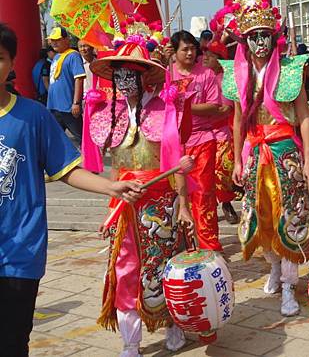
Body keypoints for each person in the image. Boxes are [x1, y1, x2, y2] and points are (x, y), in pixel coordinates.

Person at [0, 22, 144, 357]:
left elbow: (66, 171)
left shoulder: (33, 116)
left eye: (0, 57)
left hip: (20, 250)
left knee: (12, 341)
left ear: (11, 64)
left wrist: (112, 186)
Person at [87, 35, 195, 356]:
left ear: (144, 76)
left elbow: (177, 161)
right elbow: (115, 170)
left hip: (162, 204)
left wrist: (184, 205)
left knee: (165, 265)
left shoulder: (165, 110)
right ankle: (130, 342)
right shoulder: (112, 115)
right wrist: (111, 208)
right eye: (117, 74)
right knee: (125, 269)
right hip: (127, 207)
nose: (122, 80)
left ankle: (173, 323)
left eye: (129, 73)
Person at [220, 0, 309, 317]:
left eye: (265, 35)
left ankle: (290, 285)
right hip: (253, 153)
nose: (260, 42)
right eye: (253, 36)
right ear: (244, 41)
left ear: (274, 38)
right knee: (257, 219)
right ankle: (273, 264)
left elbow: (304, 117)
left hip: (284, 153)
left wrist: (308, 160)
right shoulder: (237, 76)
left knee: (288, 218)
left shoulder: (290, 71)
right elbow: (236, 122)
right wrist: (235, 159)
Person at [170, 30, 223, 250]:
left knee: (203, 194)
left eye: (193, 48)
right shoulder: (167, 74)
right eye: (185, 49)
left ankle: (208, 244)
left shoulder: (206, 74)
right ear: (175, 52)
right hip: (175, 143)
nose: (190, 53)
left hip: (202, 140)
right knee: (178, 194)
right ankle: (183, 243)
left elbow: (214, 105)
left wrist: (186, 106)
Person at [202, 39, 240, 224]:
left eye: (211, 55)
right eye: (205, 54)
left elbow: (226, 109)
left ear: (220, 60)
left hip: (221, 131)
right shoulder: (201, 77)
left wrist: (201, 113)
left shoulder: (225, 79)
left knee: (221, 171)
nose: (205, 57)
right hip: (200, 133)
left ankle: (226, 203)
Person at [47, 26, 86, 144]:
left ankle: (91, 160)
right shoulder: (56, 57)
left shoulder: (73, 55)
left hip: (68, 106)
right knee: (54, 139)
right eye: (52, 40)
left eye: (57, 40)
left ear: (66, 39)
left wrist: (76, 103)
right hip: (54, 106)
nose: (54, 43)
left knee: (82, 138)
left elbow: (79, 79)